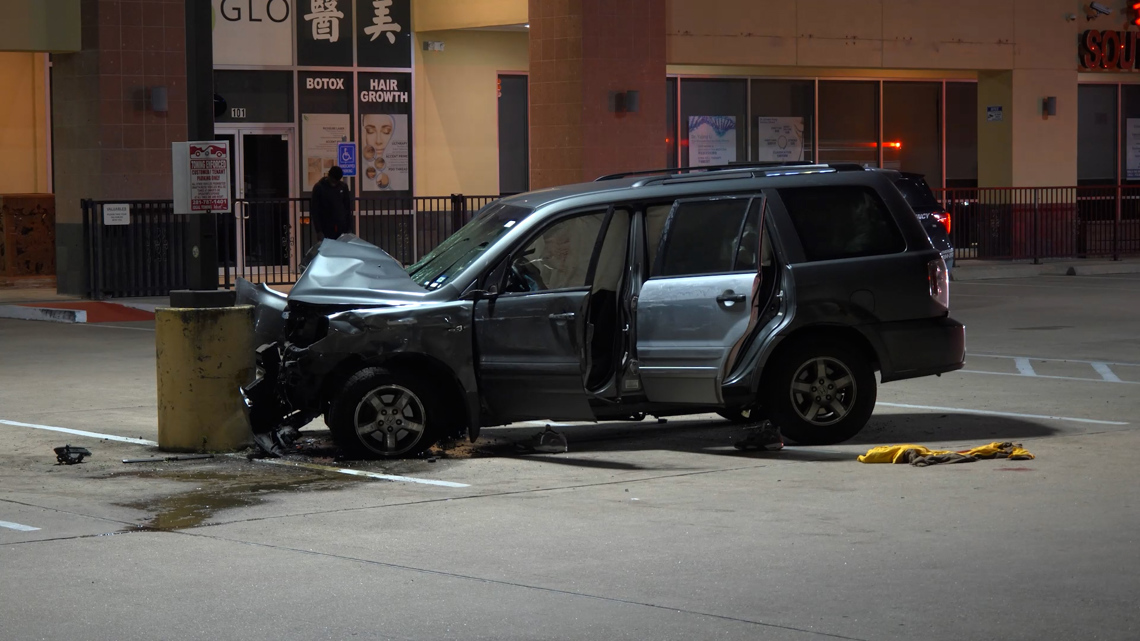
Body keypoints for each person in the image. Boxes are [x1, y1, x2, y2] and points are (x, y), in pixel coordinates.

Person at [310, 166, 352, 240]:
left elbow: (347, 208)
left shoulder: (343, 187)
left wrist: (348, 228)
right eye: (333, 180)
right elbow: (315, 210)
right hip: (326, 225)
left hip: (341, 226)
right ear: (329, 176)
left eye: (336, 181)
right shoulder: (319, 187)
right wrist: (319, 230)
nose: (334, 183)